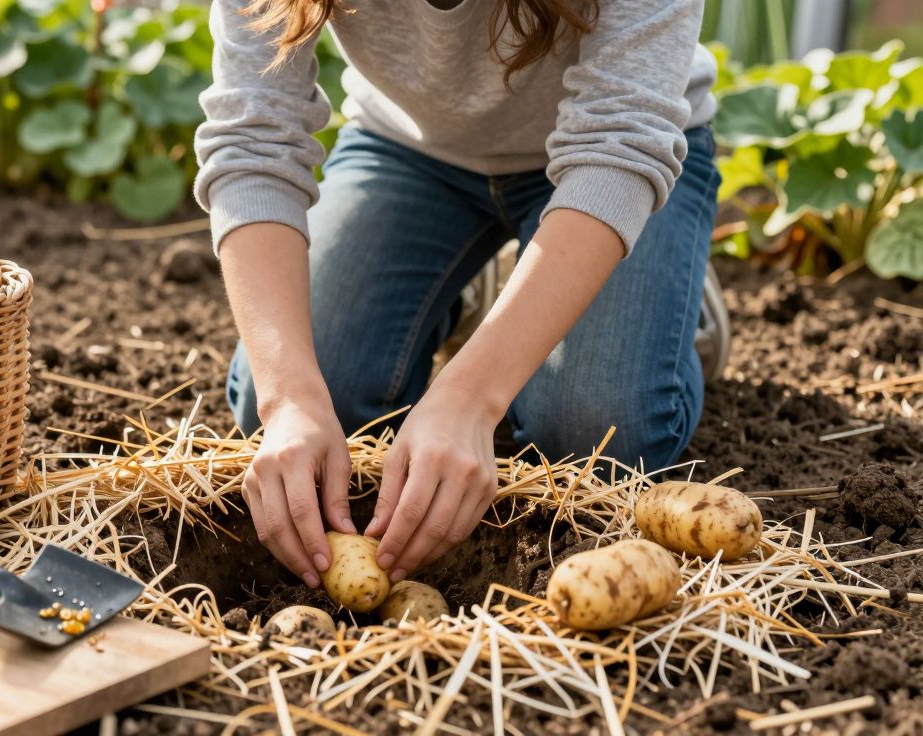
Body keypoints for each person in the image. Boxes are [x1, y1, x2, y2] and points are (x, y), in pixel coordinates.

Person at [194, 0, 721, 590]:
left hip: (613, 160)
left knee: (595, 438)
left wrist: (471, 398)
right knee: (300, 416)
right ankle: (478, 300)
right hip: (410, 152)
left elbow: (621, 143)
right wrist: (287, 400)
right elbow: (252, 140)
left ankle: (655, 287)